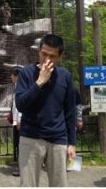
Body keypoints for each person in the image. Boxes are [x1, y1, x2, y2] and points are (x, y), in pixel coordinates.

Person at [15, 34, 77, 187]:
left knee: (59, 184)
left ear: (60, 56)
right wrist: (40, 82)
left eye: (52, 56)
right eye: (44, 54)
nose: (47, 59)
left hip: (58, 139)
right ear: (39, 51)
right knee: (28, 185)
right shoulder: (26, 74)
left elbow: (70, 111)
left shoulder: (65, 76)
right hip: (30, 137)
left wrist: (72, 143)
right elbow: (21, 105)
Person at [10, 66, 22, 177]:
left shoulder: (21, 87)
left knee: (20, 145)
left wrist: (19, 121)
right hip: (16, 121)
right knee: (18, 145)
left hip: (19, 122)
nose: (11, 77)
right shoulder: (17, 86)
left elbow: (20, 106)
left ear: (16, 76)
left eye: (12, 75)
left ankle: (21, 168)